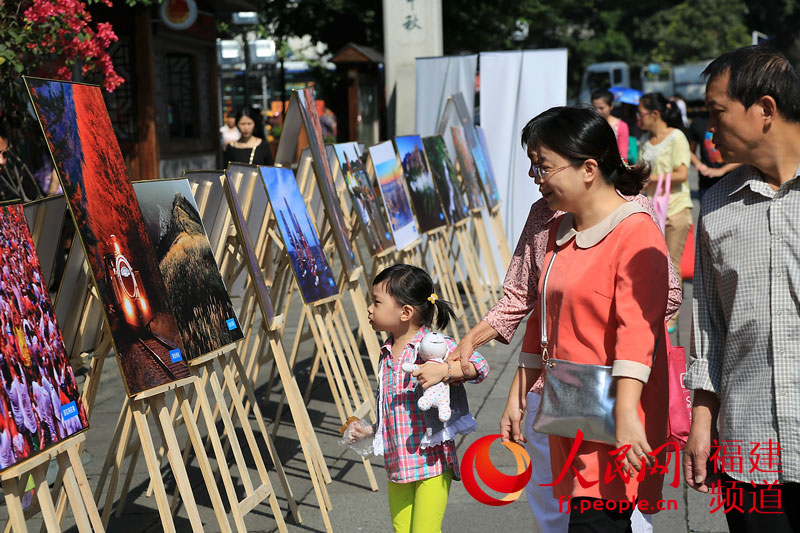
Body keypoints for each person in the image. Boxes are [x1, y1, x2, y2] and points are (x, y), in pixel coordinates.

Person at [450, 106, 681, 532]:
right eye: (533, 166)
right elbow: (537, 308)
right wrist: (514, 383)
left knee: (601, 516)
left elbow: (642, 323)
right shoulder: (560, 229)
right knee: (566, 511)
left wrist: (627, 409)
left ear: (589, 168)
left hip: (610, 404)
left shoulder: (635, 227)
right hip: (570, 402)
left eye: (544, 166)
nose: (536, 177)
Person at [684, 45, 800, 532]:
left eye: (718, 112)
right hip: (750, 450)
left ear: (765, 110)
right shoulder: (716, 206)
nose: (709, 129)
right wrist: (701, 422)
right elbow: (709, 325)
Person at [345, 264, 489, 533]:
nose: (369, 309)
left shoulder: (433, 345)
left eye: (376, 302)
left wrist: (445, 370)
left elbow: (480, 367)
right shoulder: (386, 353)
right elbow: (394, 410)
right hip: (398, 466)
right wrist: (371, 431)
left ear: (406, 312)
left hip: (432, 464)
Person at [638, 92, 692, 332]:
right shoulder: (643, 141)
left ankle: (672, 314)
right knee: (654, 264)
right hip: (651, 212)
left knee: (673, 263)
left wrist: (652, 178)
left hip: (676, 209)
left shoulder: (677, 137)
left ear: (655, 114)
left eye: (641, 113)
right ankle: (655, 307)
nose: (638, 118)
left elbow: (682, 174)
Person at [688, 111, 741, 202]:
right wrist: (699, 164)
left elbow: (747, 154)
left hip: (735, 183)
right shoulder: (698, 122)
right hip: (707, 184)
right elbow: (689, 151)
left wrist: (722, 170)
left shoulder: (735, 120)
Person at [591, 89, 629, 160]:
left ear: (611, 105)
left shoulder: (621, 126)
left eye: (601, 108)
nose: (597, 111)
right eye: (594, 108)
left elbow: (623, 154)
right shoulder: (590, 124)